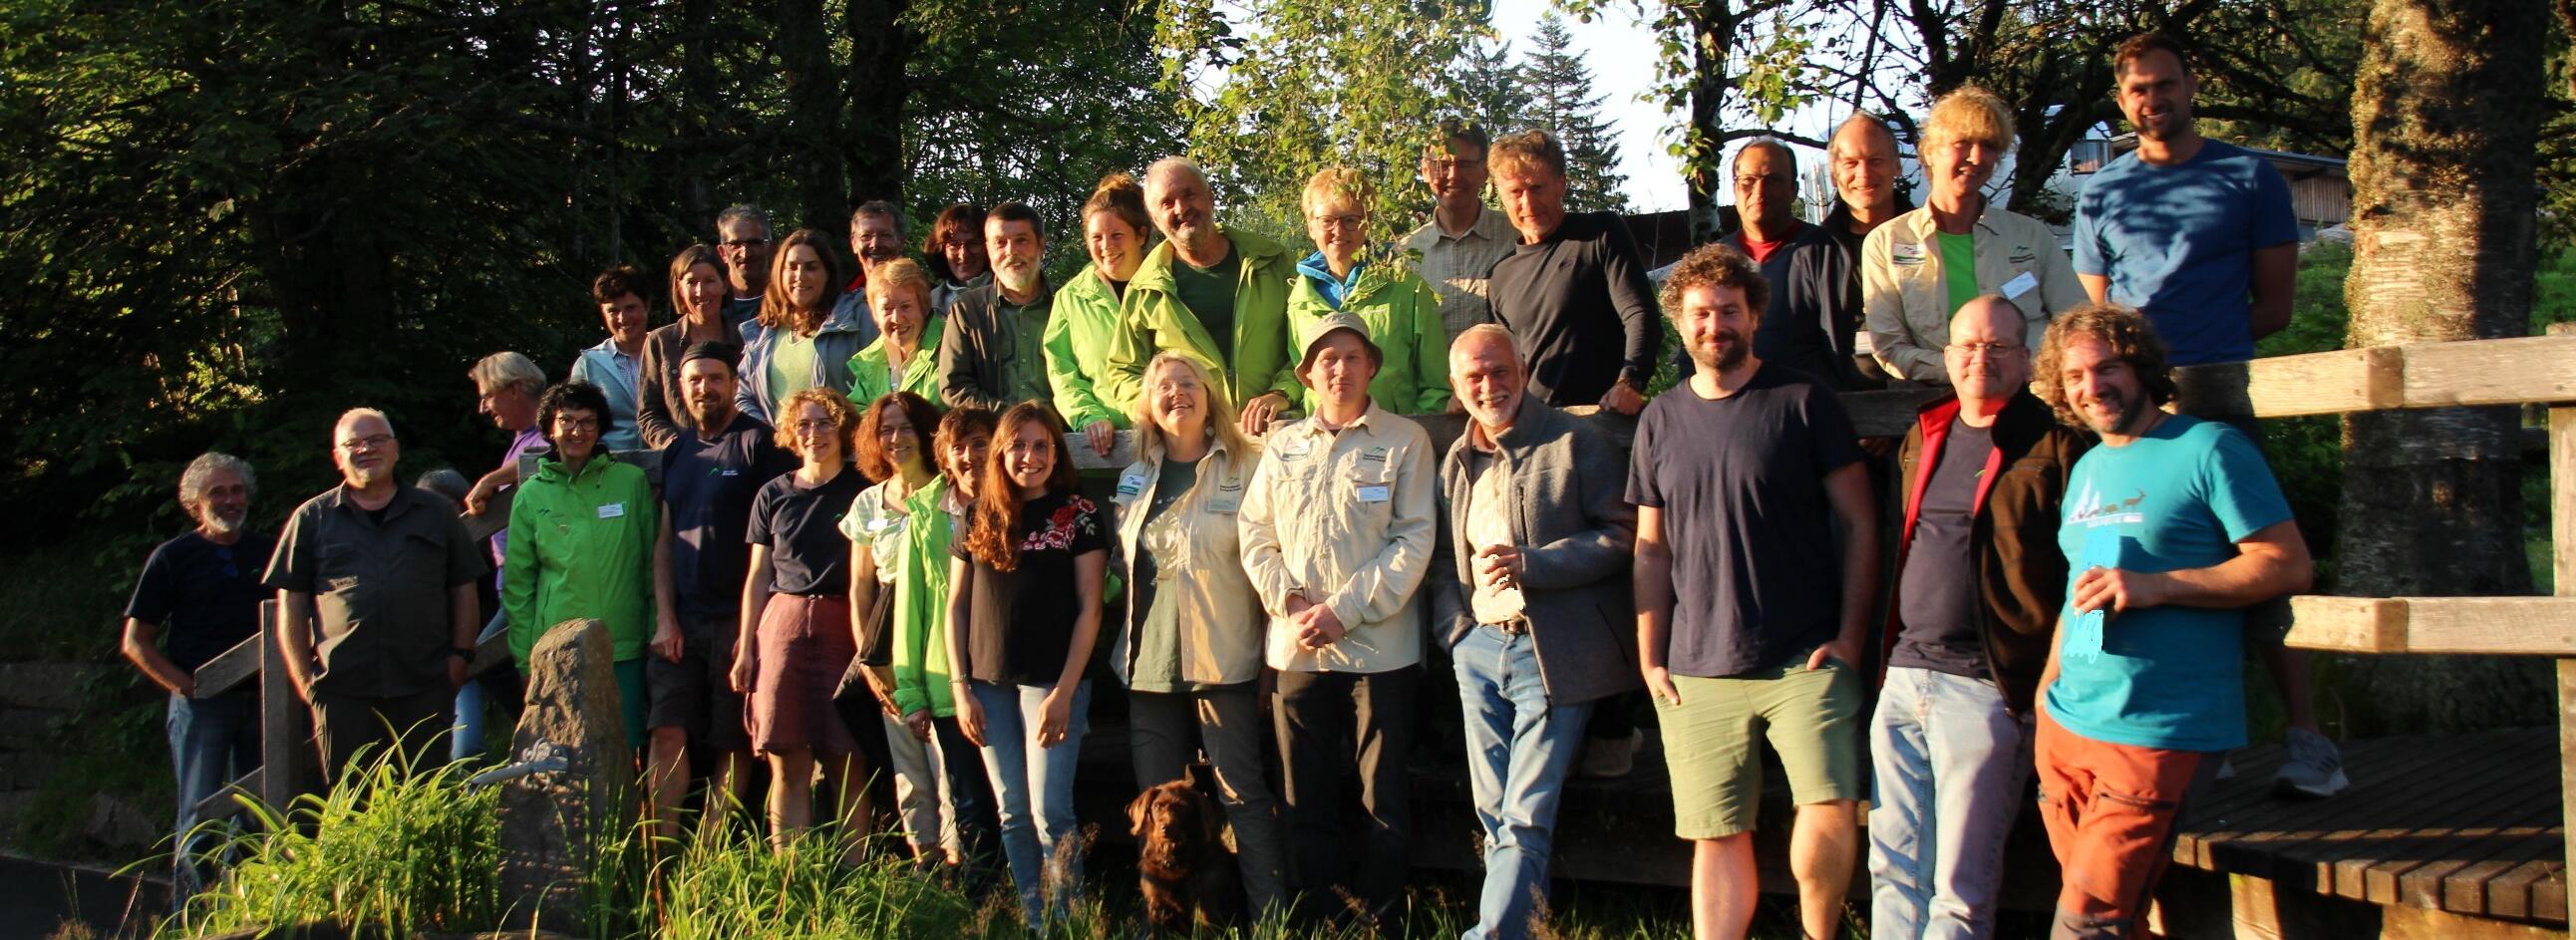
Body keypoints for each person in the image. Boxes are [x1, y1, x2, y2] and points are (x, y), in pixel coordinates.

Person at [2075, 32, 2339, 799]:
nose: (2152, 101)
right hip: (2133, 404)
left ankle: (2309, 737)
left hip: (2220, 389)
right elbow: (2100, 314)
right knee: (2148, 558)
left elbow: (2279, 304)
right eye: (2136, 91)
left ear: (2191, 87)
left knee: (2256, 558)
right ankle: (2201, 734)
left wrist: (2204, 354)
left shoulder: (2248, 175)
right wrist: (2136, 377)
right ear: (2121, 101)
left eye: (2164, 85)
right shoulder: (2103, 190)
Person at [2031, 303, 2312, 938]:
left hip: (2159, 728)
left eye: (2107, 368)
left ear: (2142, 368)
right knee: (2119, 919)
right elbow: (2078, 588)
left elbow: (2287, 564)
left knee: (2086, 924)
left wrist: (2158, 587)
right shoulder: (2089, 468)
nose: (2092, 387)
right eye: (2074, 376)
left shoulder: (2208, 447)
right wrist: (2046, 694)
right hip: (2068, 726)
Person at [1629, 244, 1875, 940]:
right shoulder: (1660, 420)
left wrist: (1852, 636)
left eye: (1729, 310)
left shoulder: (1804, 401)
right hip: (1696, 662)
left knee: (1827, 801)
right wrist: (1652, 657)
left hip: (1807, 654)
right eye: (1701, 313)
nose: (1715, 325)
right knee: (1715, 831)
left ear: (1755, 316)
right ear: (1680, 324)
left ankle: (1819, 933)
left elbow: (1860, 522)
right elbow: (1651, 547)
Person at [1867, 297, 2091, 939]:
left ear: (2025, 359)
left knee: (1959, 890)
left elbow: (2086, 577)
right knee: (1892, 869)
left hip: (1990, 687)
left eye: (1997, 347)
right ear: (1947, 356)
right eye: (1968, 345)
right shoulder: (1923, 435)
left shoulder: (2058, 447)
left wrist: (2054, 685)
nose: (1979, 359)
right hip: (1905, 676)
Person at [1431, 325, 1636, 940]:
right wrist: (1456, 633)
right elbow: (1445, 556)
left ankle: (1489, 934)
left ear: (1522, 369)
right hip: (1479, 647)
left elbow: (1622, 535)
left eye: (1500, 371)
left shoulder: (1577, 441)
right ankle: (1528, 927)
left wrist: (1536, 563)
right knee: (1494, 812)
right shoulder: (1457, 458)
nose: (1489, 386)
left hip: (1554, 652)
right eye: (1475, 377)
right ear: (1457, 387)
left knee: (1524, 813)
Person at [1238, 313, 1438, 926]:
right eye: (1327, 359)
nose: (1340, 369)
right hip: (1298, 649)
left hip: (1380, 653)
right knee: (1303, 799)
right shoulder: (1283, 445)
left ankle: (1378, 921)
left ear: (1372, 366)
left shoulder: (1407, 441)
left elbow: (1413, 540)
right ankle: (1320, 920)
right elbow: (1254, 533)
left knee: (1381, 799)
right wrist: (1295, 606)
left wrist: (1342, 611)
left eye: (1352, 357)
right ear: (1306, 374)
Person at [1110, 351, 1286, 915]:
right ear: (1148, 404)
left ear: (1211, 398)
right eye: (1164, 385)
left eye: (1190, 383)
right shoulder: (1135, 476)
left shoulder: (1248, 466)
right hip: (1149, 662)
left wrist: (1270, 659)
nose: (1177, 393)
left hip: (1224, 656)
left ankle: (1270, 919)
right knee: (1158, 814)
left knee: (1242, 798)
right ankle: (1168, 922)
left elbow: (1271, 561)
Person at [947, 403, 1111, 927]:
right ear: (1001, 453)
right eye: (1018, 445)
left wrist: (1065, 693)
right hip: (987, 684)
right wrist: (959, 688)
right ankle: (1036, 920)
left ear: (1055, 453)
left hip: (1053, 684)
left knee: (1050, 813)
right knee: (1013, 814)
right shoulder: (978, 515)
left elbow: (1091, 608)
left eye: (1041, 445)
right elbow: (955, 606)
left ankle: (1070, 922)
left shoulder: (1079, 514)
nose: (1029, 456)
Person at [265, 409, 485, 783]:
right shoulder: (311, 518)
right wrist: (305, 679)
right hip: (342, 690)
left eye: (376, 440)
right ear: (338, 457)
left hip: (425, 682)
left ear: (396, 449)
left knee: (426, 794)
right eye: (353, 443)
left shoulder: (434, 513)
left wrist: (460, 657)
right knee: (351, 801)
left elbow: (464, 585)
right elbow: (292, 602)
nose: (366, 449)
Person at [646, 342, 791, 843]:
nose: (704, 388)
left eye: (714, 378)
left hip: (740, 619)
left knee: (734, 742)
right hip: (682, 621)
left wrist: (754, 630)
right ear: (680, 388)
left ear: (734, 382)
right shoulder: (678, 452)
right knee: (667, 731)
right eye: (694, 380)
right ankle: (660, 855)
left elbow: (778, 539)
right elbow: (665, 538)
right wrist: (665, 616)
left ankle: (710, 859)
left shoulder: (760, 445)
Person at [837, 391, 986, 867]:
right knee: (908, 766)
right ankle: (923, 863)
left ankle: (958, 862)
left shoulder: (949, 495)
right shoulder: (867, 502)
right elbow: (860, 590)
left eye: (904, 428)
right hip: (888, 643)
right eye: (885, 430)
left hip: (945, 635)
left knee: (951, 766)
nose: (895, 439)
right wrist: (869, 664)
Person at [1863, 88, 2086, 385]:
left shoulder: (2031, 236)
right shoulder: (1886, 243)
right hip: (1938, 406)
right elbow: (1889, 347)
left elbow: (2077, 325)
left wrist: (2024, 373)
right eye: (1963, 143)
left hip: (2033, 399)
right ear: (1930, 151)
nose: (1977, 157)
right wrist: (1970, 372)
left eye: (1989, 145)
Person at [732, 388, 873, 852]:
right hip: (783, 625)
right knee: (786, 756)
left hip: (843, 623)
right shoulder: (773, 493)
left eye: (825, 423)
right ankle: (789, 873)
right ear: (792, 433)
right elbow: (758, 575)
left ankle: (856, 874)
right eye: (805, 425)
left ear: (842, 429)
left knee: (845, 755)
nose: (815, 434)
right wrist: (746, 645)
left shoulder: (862, 490)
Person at [124, 453, 272, 895]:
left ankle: (245, 913)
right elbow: (136, 641)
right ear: (195, 503)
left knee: (256, 814)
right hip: (202, 705)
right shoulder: (173, 557)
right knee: (199, 817)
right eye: (218, 492)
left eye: (237, 490)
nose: (230, 500)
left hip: (266, 698)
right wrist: (185, 686)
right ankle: (190, 918)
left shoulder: (269, 550)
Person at [501, 382, 658, 747]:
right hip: (558, 649)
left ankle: (631, 808)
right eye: (567, 421)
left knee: (630, 743)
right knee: (565, 749)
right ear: (550, 428)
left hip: (626, 645)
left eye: (588, 422)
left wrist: (654, 630)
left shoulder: (630, 483)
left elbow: (652, 564)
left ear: (600, 428)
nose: (577, 431)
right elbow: (518, 584)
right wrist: (526, 660)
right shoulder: (531, 494)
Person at [1103, 157, 1300, 435]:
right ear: (1155, 219)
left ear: (1210, 197)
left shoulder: (1272, 261)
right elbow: (1124, 372)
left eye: (1189, 194)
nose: (1181, 208)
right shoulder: (1145, 290)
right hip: (1197, 446)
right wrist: (1166, 410)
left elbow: (1306, 344)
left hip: (1276, 435)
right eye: (1167, 203)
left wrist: (1283, 392)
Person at [889, 406, 1007, 873]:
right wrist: (911, 691)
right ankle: (982, 909)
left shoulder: (1020, 500)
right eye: (958, 447)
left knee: (1017, 800)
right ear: (943, 456)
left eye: (980, 444)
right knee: (971, 803)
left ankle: (1031, 904)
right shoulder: (924, 516)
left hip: (1008, 677)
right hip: (949, 686)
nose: (969, 456)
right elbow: (910, 609)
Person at [1485, 130, 1658, 415]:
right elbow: (1502, 363)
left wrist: (1630, 380)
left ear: (1561, 184)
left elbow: (1638, 314)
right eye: (1516, 192)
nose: (1527, 204)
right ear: (1501, 196)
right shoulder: (1500, 276)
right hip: (1534, 429)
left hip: (1602, 420)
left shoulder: (1599, 235)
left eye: (1537, 188)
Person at [1285, 167, 1449, 415]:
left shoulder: (1407, 288)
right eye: (1326, 221)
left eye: (1350, 220)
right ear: (1310, 227)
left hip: (1394, 443)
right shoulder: (1300, 299)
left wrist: (1410, 434)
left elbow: (1437, 387)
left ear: (1368, 224)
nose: (1338, 231)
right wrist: (1279, 397)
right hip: (1325, 442)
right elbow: (1302, 378)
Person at [1717, 138, 1875, 390]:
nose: (1759, 191)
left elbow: (1843, 349)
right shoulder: (1717, 260)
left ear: (1793, 190)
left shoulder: (1823, 251)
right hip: (1730, 409)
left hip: (1806, 409)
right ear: (1735, 189)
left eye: (1773, 180)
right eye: (1748, 181)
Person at [457, 352, 549, 760]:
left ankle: (529, 736)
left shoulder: (547, 428)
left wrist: (493, 478)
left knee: (476, 659)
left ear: (514, 390)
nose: (483, 407)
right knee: (490, 661)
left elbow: (552, 452)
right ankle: (534, 733)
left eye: (488, 395)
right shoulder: (521, 438)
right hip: (511, 582)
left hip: (531, 581)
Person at [1047, 172, 1152, 459]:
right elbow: (1063, 374)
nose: (1106, 246)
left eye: (1117, 235)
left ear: (1140, 235)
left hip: (1170, 442)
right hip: (1103, 450)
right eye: (1096, 237)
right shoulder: (1070, 299)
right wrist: (1089, 417)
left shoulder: (1168, 285)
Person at [1403, 120, 1519, 345]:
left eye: (1465, 165)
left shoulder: (1516, 237)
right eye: (1442, 165)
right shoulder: (1406, 255)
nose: (1453, 175)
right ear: (1425, 171)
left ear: (1484, 171)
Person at [737, 228, 868, 425]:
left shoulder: (857, 320)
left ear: (827, 273)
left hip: (840, 452)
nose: (800, 276)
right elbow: (742, 395)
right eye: (792, 267)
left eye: (811, 267)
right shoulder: (763, 331)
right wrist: (767, 437)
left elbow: (878, 388)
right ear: (779, 273)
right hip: (778, 453)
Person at [939, 202, 1058, 414]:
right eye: (1000, 243)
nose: (1011, 252)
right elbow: (954, 387)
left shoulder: (1066, 304)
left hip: (1064, 439)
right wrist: (1007, 418)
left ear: (1041, 246)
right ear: (988, 250)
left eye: (1021, 241)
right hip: (993, 439)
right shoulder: (968, 310)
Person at [1823, 112, 1914, 386]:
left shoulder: (1931, 238)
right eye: (1851, 163)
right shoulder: (1815, 251)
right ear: (1833, 174)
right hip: (1844, 404)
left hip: (1924, 394)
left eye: (1876, 161)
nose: (1864, 174)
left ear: (1897, 166)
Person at [637, 245, 743, 450]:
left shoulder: (746, 338)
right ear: (679, 288)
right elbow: (649, 412)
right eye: (691, 282)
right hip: (681, 458)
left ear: (724, 284)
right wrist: (675, 445)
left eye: (709, 281)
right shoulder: (661, 341)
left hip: (739, 455)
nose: (700, 291)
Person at [569, 266, 653, 453]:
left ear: (646, 305)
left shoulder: (668, 352)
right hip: (609, 468)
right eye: (613, 311)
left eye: (630, 308)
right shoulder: (589, 363)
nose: (623, 318)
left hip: (668, 460)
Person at [848, 257, 947, 407]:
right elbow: (858, 415)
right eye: (887, 309)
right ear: (875, 314)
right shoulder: (869, 360)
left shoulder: (948, 346)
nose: (897, 318)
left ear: (924, 306)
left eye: (906, 306)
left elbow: (934, 413)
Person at [927, 202, 994, 314]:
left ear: (988, 246)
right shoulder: (928, 304)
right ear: (942, 249)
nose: (963, 254)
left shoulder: (1012, 295)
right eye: (954, 244)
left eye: (973, 243)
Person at [716, 204, 776, 327]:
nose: (746, 253)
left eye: (754, 243)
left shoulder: (789, 302)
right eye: (735, 244)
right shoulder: (710, 305)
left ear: (770, 248)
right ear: (722, 253)